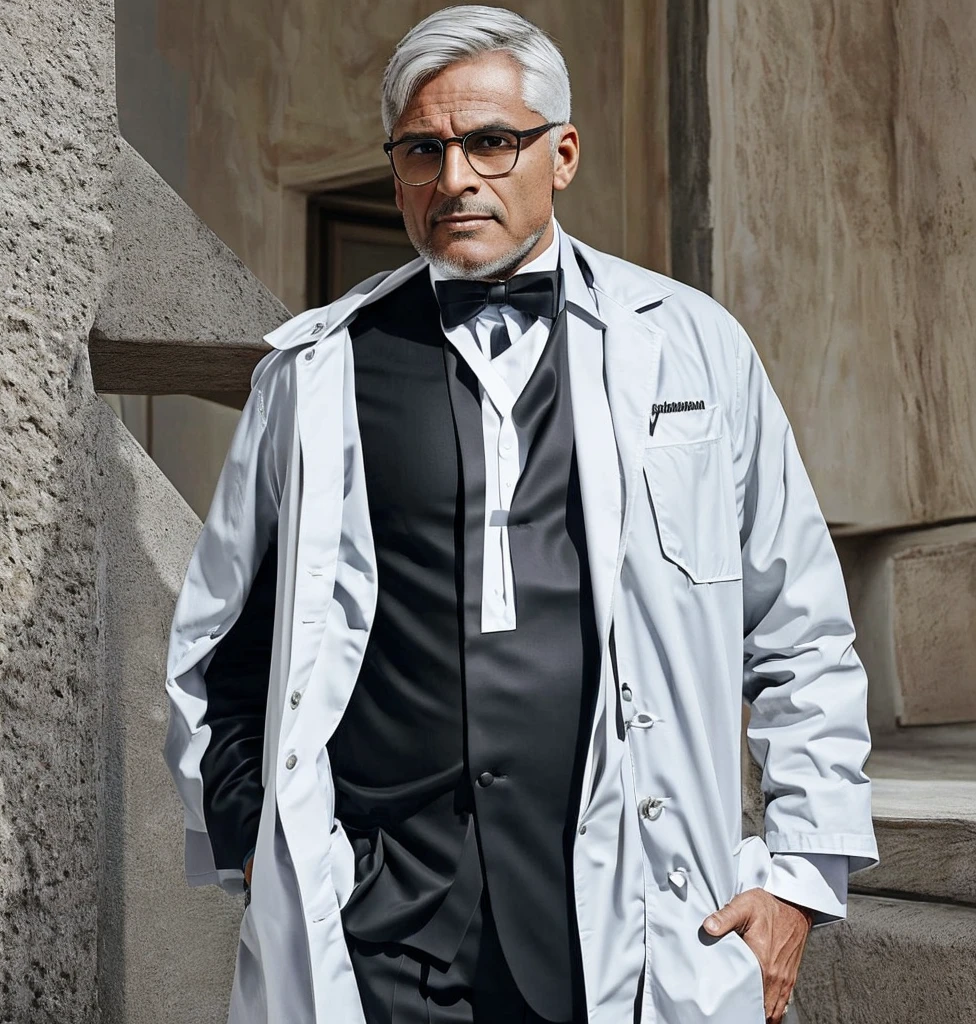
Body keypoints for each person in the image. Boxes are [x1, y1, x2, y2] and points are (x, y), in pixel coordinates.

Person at [162, 6, 879, 1024]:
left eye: (491, 143)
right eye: (424, 149)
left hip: (631, 917)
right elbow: (219, 648)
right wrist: (257, 841)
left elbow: (800, 627)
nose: (456, 178)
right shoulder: (315, 374)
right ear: (398, 169)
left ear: (563, 154)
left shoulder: (691, 349)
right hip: (385, 930)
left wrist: (800, 876)